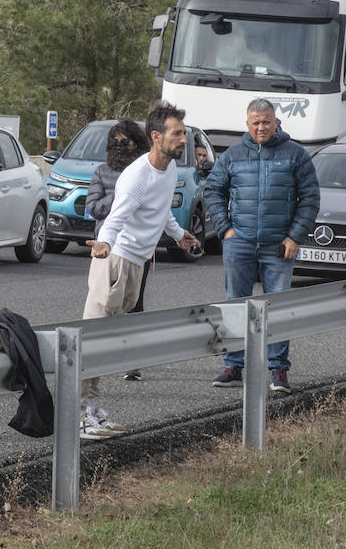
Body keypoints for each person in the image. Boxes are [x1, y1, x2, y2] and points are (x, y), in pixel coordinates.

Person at [81, 101, 199, 439]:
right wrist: (103, 243)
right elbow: (115, 216)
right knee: (91, 339)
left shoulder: (170, 170)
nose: (183, 139)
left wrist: (179, 235)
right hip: (114, 262)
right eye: (177, 134)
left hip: (137, 263)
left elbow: (162, 212)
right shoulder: (137, 175)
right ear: (156, 137)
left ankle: (92, 411)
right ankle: (79, 415)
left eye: (184, 133)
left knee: (105, 343)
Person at [203, 98, 318, 394]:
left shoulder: (295, 155)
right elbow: (213, 189)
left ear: (276, 121)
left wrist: (295, 237)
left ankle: (279, 371)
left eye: (266, 121)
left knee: (278, 309)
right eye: (255, 122)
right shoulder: (233, 155)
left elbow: (310, 199)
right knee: (235, 305)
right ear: (247, 124)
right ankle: (232, 366)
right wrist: (224, 229)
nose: (261, 127)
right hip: (238, 243)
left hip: (278, 246)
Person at [84, 119, 151, 380]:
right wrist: (125, 192)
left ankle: (132, 361)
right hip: (107, 248)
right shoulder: (102, 171)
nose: (120, 147)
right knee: (103, 303)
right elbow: (94, 207)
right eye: (116, 143)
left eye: (126, 142)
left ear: (138, 142)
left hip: (136, 247)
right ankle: (94, 358)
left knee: (134, 303)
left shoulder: (146, 170)